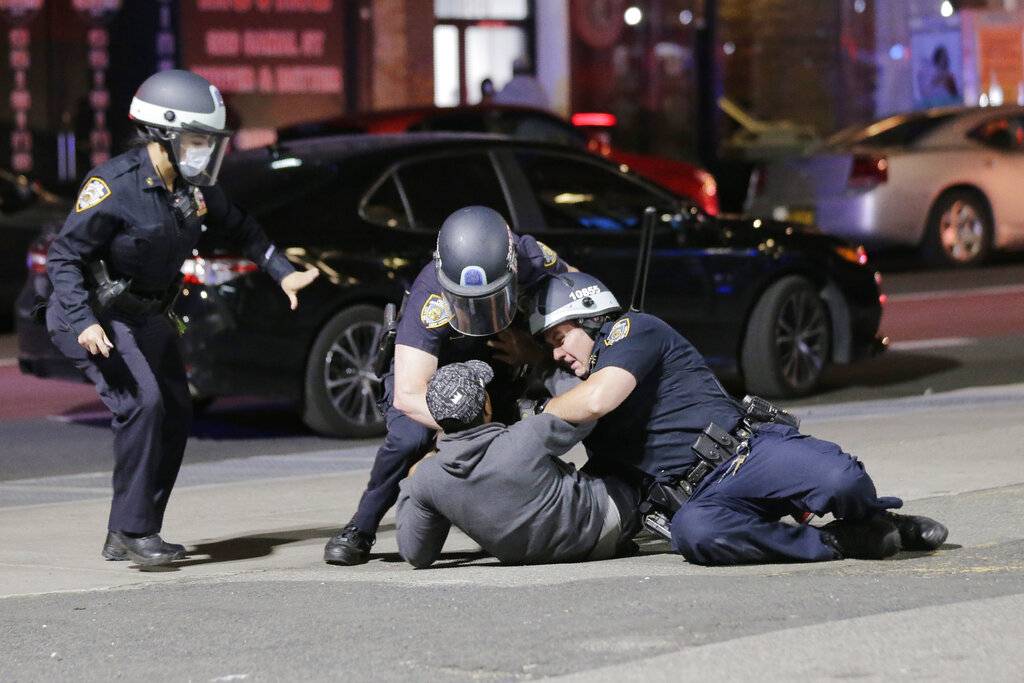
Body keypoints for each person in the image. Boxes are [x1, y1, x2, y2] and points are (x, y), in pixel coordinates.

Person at [44, 69, 319, 567]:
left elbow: (243, 228)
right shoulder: (114, 187)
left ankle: (123, 529)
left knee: (174, 408)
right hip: (91, 314)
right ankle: (136, 532)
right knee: (142, 403)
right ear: (161, 136)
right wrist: (84, 321)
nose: (206, 152)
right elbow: (64, 256)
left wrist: (282, 271)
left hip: (147, 315)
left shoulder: (193, 185)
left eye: (210, 142)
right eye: (197, 141)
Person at [527, 272, 949, 565]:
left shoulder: (632, 331)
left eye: (561, 338)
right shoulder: (583, 392)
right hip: (700, 499)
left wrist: (540, 413)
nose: (557, 354)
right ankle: (836, 541)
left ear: (593, 316)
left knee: (843, 480)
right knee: (695, 537)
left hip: (746, 453)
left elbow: (599, 398)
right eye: (549, 346)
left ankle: (878, 519)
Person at [323, 205, 575, 565]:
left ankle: (503, 525)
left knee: (510, 439)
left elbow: (582, 290)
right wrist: (469, 427)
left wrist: (534, 351)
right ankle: (361, 528)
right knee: (409, 437)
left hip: (495, 360)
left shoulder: (531, 257)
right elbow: (409, 393)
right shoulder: (431, 295)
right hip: (430, 368)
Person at [395, 360, 641, 567]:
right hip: (602, 527)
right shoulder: (527, 435)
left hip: (534, 556)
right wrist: (545, 368)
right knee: (625, 446)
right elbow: (589, 406)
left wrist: (412, 481)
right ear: (487, 405)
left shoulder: (428, 478)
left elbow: (417, 554)